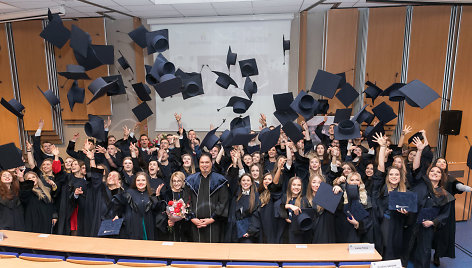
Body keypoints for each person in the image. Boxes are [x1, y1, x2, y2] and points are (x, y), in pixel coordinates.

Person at [432, 157, 471, 266]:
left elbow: (458, 186)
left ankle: (437, 255)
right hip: (432, 208)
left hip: (445, 209)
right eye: (439, 161)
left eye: (444, 162)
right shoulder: (429, 176)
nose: (442, 163)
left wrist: (467, 188)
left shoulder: (450, 178)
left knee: (442, 234)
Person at [183, 153, 229, 243]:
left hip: (214, 224)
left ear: (211, 163)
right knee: (196, 251)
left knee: (213, 251)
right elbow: (187, 201)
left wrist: (212, 219)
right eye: (202, 162)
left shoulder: (220, 181)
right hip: (195, 224)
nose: (204, 165)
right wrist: (192, 218)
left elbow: (223, 202)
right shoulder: (191, 181)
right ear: (199, 164)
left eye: (207, 162)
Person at [112, 172, 161, 240]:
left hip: (148, 225)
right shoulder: (129, 193)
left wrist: (157, 197)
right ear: (135, 182)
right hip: (133, 226)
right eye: (138, 180)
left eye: (143, 180)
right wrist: (117, 215)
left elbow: (156, 209)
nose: (140, 182)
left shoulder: (152, 193)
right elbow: (119, 204)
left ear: (147, 182)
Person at [226, 174, 260, 243]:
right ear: (240, 182)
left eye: (248, 180)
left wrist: (250, 231)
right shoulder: (236, 195)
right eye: (243, 180)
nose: (245, 182)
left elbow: (256, 215)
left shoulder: (255, 196)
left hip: (248, 232)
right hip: (235, 231)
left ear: (251, 183)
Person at [305, 174, 339, 243]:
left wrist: (339, 190)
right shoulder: (304, 200)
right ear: (310, 184)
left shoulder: (330, 197)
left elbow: (339, 207)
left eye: (319, 183)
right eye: (314, 182)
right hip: (311, 235)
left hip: (327, 234)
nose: (316, 185)